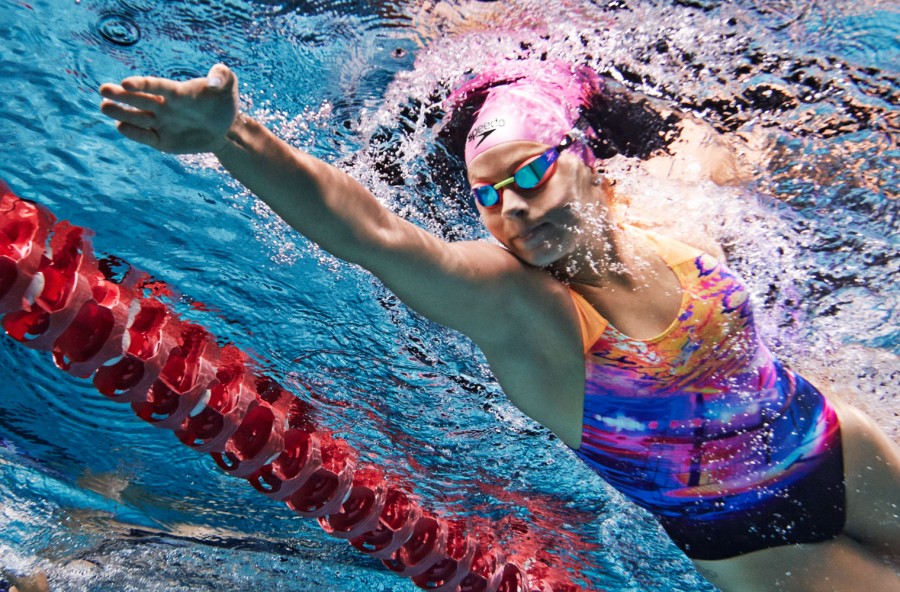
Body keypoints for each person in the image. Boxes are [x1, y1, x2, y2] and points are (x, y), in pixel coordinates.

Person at [98, 60, 900, 592]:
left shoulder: (668, 213)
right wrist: (235, 137)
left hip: (848, 447)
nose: (513, 205)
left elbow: (717, 148)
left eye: (529, 173)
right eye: (488, 194)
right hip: (767, 546)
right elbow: (375, 237)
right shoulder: (527, 311)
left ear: (583, 158)